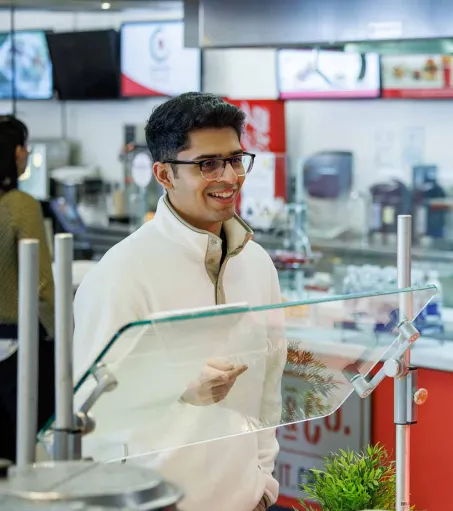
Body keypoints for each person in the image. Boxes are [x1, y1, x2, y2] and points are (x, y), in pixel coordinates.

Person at [73, 93, 284, 511]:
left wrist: (262, 484)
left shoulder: (257, 264)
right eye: (207, 164)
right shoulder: (120, 273)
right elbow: (90, 416)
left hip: (248, 501)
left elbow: (269, 391)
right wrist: (178, 387)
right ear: (165, 174)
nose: (230, 176)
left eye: (236, 159)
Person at [0, 116, 56, 462]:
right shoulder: (20, 204)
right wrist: (62, 334)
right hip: (18, 342)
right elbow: (42, 284)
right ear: (19, 153)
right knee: (26, 443)